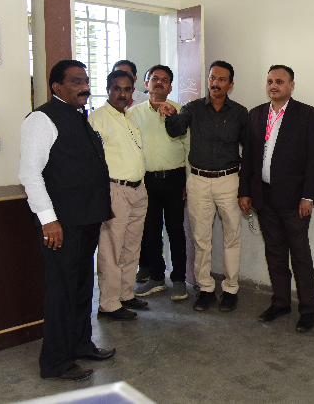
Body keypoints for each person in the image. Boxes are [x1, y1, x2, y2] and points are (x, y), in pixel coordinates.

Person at [19, 60, 115, 382]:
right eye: (76, 81)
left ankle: (80, 344)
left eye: (85, 80)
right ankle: (56, 362)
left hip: (86, 219)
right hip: (61, 224)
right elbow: (30, 174)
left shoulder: (79, 116)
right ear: (56, 87)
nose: (84, 86)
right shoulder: (41, 119)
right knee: (62, 291)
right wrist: (49, 221)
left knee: (82, 286)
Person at [238, 65, 314, 332]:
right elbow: (248, 157)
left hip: (295, 199)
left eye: (279, 81)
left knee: (300, 256)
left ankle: (308, 309)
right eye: (269, 81)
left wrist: (308, 196)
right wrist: (245, 191)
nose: (273, 86)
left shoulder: (306, 114)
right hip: (263, 196)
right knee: (274, 253)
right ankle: (280, 302)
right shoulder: (256, 114)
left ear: (291, 85)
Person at [158, 61, 248, 312]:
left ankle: (230, 289)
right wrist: (170, 115)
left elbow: (250, 149)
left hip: (229, 180)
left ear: (230, 84)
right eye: (212, 78)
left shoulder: (240, 113)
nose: (215, 83)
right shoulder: (193, 108)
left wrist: (246, 185)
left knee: (232, 237)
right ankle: (206, 289)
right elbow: (176, 131)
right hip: (198, 180)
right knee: (201, 238)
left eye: (221, 79)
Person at [88, 69, 149, 321]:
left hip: (138, 189)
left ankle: (125, 293)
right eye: (117, 88)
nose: (122, 94)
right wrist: (103, 197)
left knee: (131, 246)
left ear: (132, 91)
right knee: (111, 249)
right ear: (108, 89)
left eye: (127, 89)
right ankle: (109, 303)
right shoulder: (97, 119)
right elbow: (92, 164)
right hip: (114, 191)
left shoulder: (130, 116)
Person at [132, 65, 190, 301]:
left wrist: (187, 181)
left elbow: (188, 147)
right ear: (146, 84)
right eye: (154, 78)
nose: (159, 82)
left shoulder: (181, 112)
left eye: (164, 80)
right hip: (146, 180)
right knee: (151, 230)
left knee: (176, 230)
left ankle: (179, 280)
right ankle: (156, 277)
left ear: (170, 87)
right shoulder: (133, 114)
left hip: (175, 179)